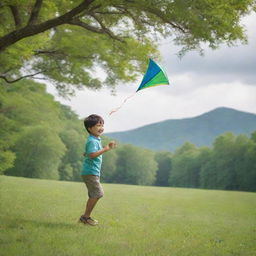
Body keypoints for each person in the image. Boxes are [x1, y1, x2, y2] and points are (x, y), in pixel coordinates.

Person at [79, 114, 116, 226]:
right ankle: (85, 217)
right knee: (98, 193)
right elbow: (93, 154)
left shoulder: (95, 140)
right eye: (98, 125)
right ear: (90, 128)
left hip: (92, 172)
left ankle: (85, 217)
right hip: (90, 172)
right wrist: (106, 148)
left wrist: (87, 153)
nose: (101, 127)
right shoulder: (93, 141)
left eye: (102, 125)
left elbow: (89, 153)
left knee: (95, 194)